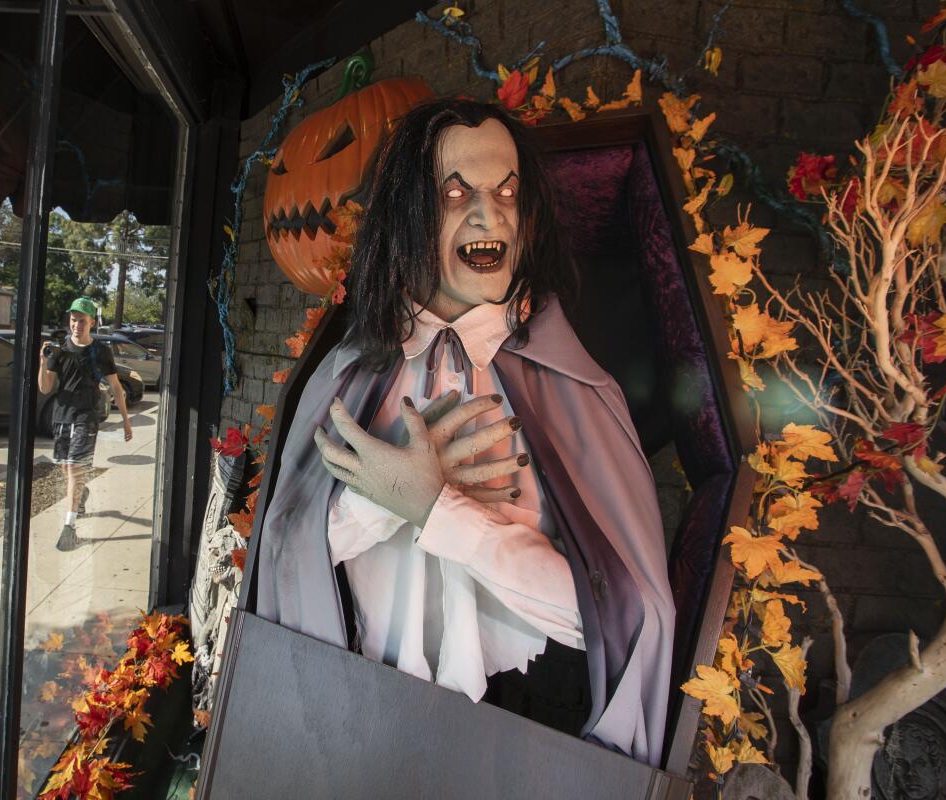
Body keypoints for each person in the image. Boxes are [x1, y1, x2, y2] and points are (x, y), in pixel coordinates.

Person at [256, 99, 675, 765]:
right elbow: (284, 559)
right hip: (345, 734)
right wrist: (378, 496)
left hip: (525, 744)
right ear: (410, 216)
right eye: (457, 192)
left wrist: (438, 512)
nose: (490, 212)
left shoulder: (576, 391)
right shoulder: (348, 375)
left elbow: (628, 619)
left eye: (508, 191)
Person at [38, 297, 132, 551]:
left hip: (86, 417)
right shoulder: (59, 350)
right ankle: (81, 494)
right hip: (61, 416)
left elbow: (115, 386)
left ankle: (69, 525)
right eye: (73, 320)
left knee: (75, 467)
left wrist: (125, 421)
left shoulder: (100, 352)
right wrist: (42, 361)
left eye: (81, 320)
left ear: (91, 322)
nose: (76, 325)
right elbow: (45, 388)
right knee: (66, 469)